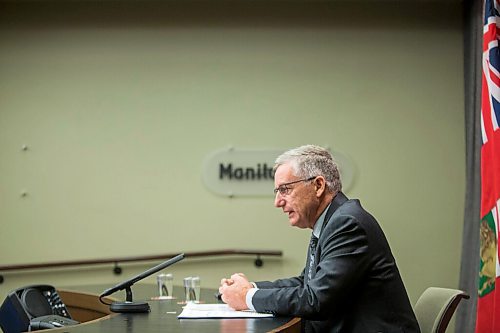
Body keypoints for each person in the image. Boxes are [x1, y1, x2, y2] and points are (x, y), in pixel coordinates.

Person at [219, 145, 420, 333]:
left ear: (318, 185)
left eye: (285, 189)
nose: (277, 202)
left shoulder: (347, 224)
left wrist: (246, 297)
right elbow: (305, 283)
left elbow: (316, 300)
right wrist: (251, 288)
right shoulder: (333, 219)